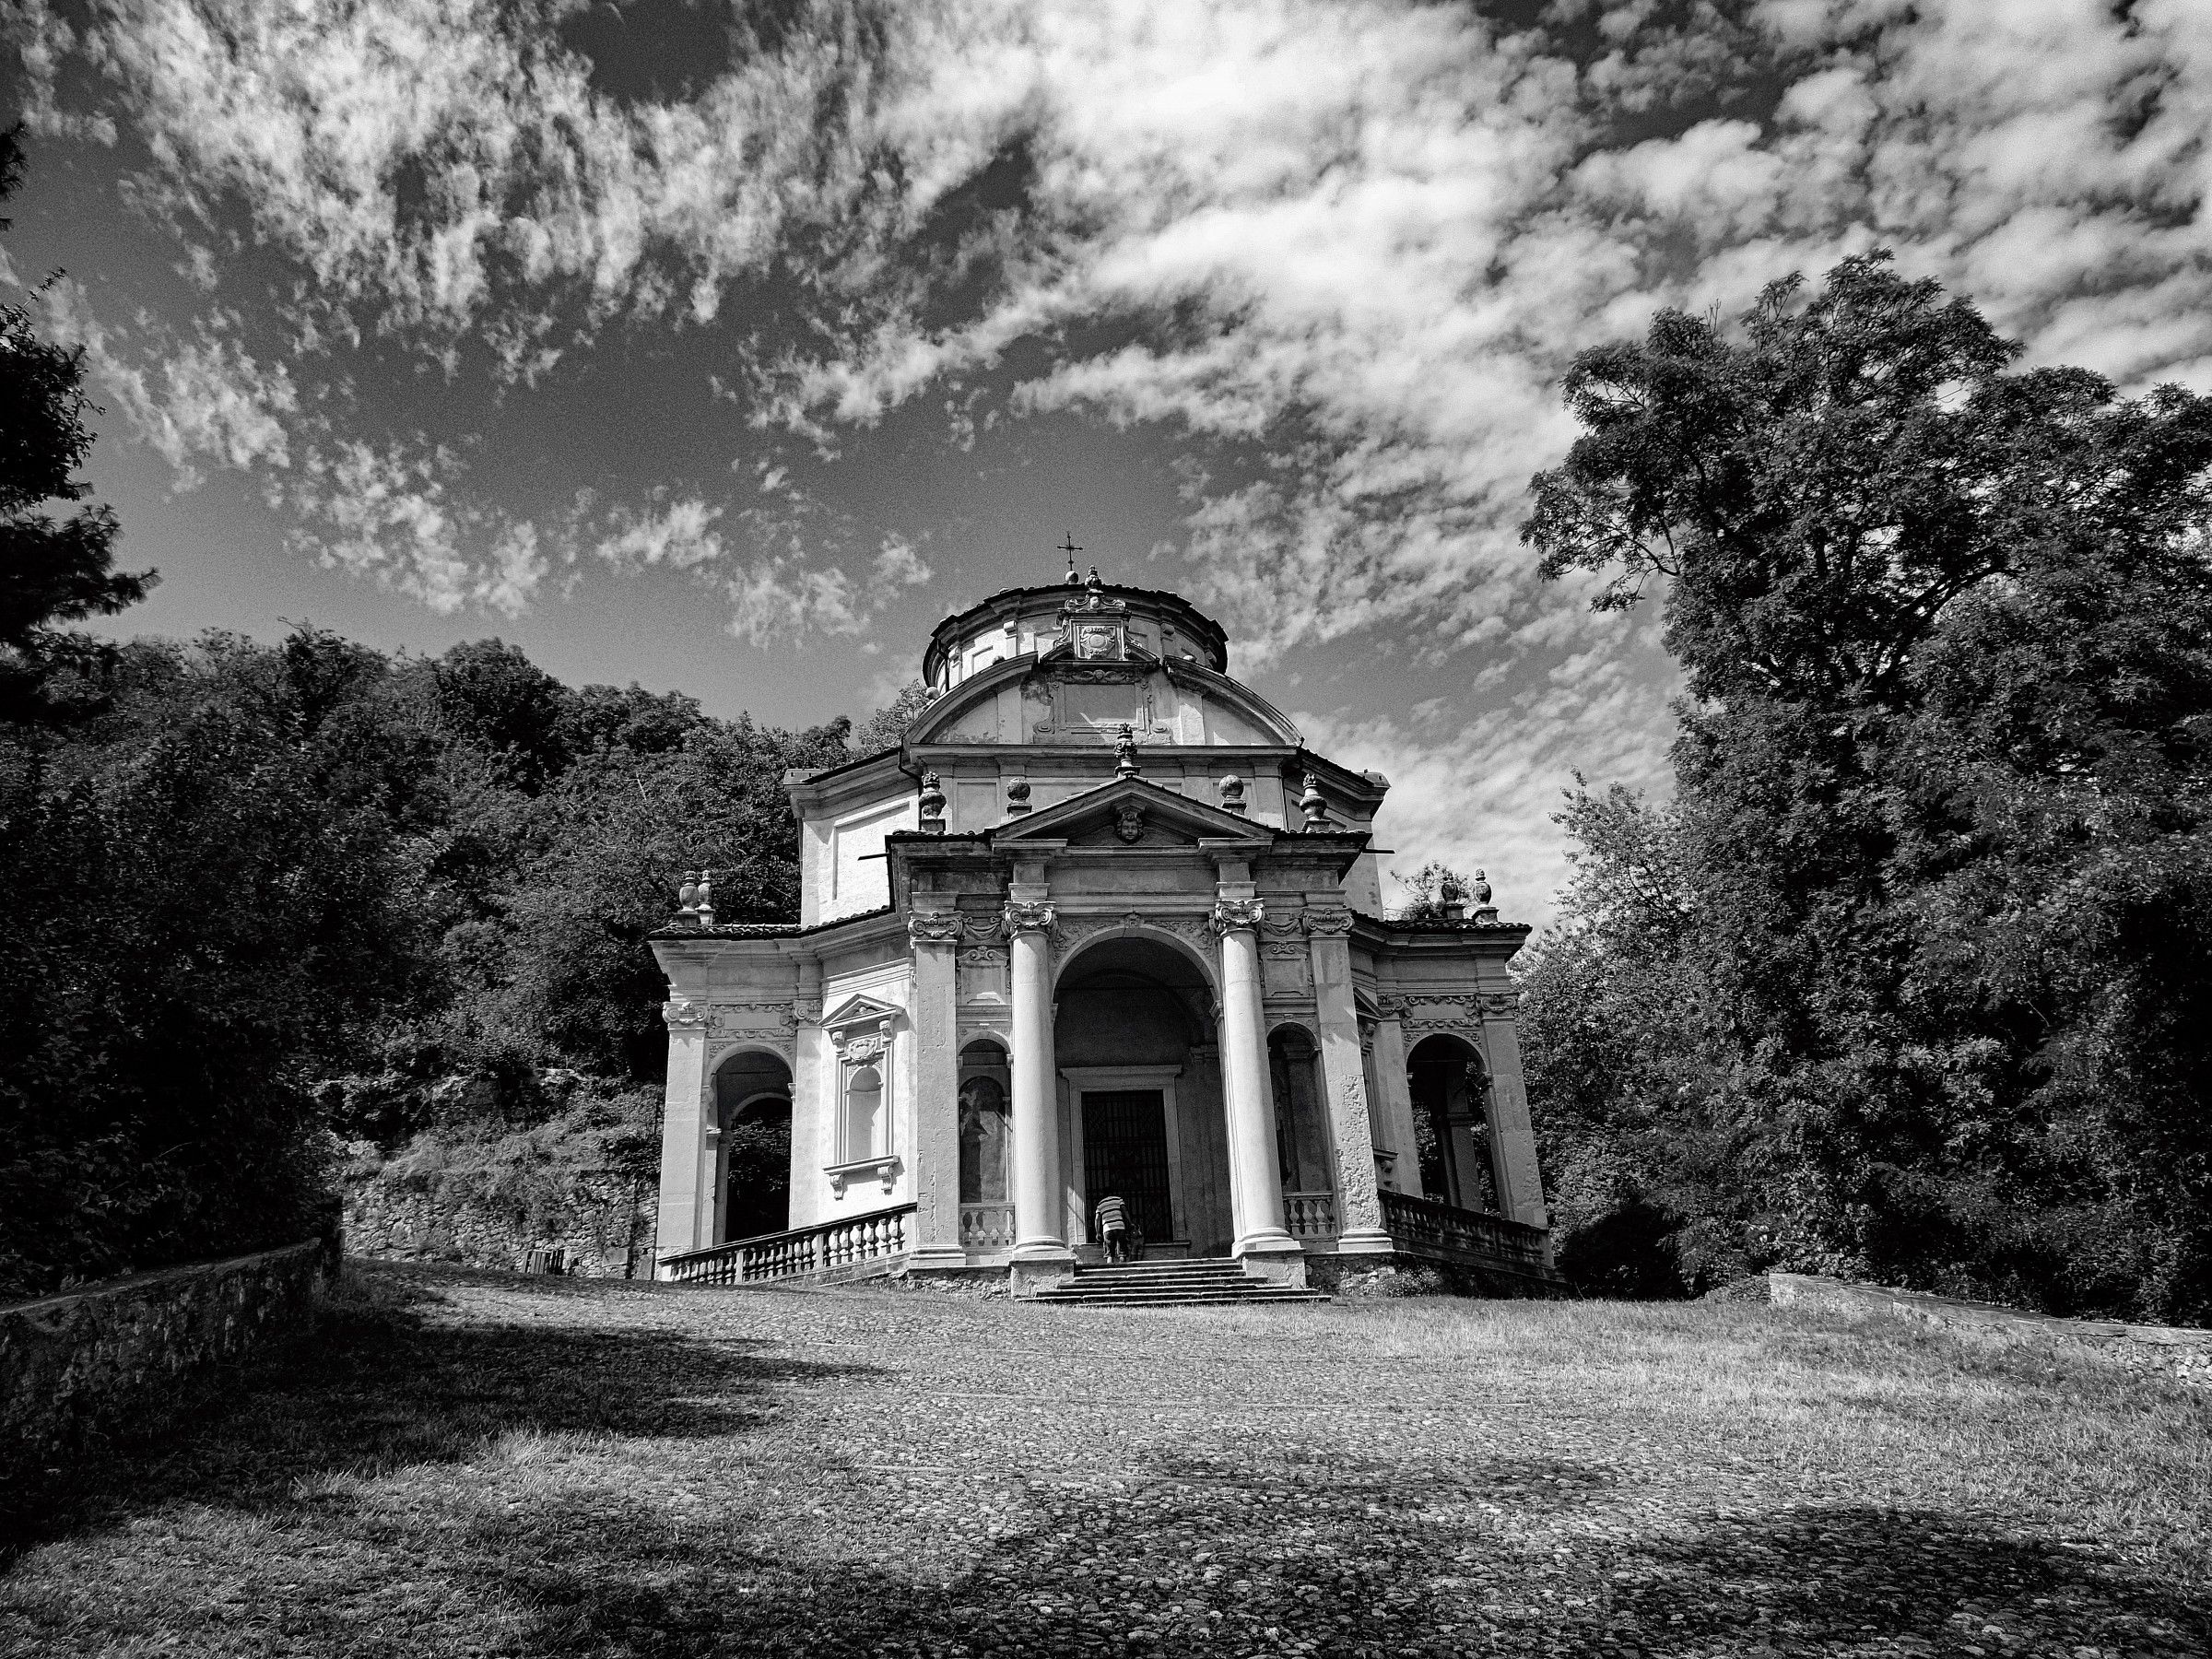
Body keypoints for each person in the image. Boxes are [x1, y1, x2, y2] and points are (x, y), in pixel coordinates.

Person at [1094, 1192, 1130, 1263]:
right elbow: (1125, 1210)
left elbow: (1097, 1218)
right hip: (1120, 1226)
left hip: (1107, 1229)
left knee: (1109, 1254)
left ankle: (1110, 1269)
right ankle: (1123, 1270)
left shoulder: (1100, 1203)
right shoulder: (1118, 1199)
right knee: (1122, 1252)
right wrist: (1130, 1222)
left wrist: (1097, 1232)